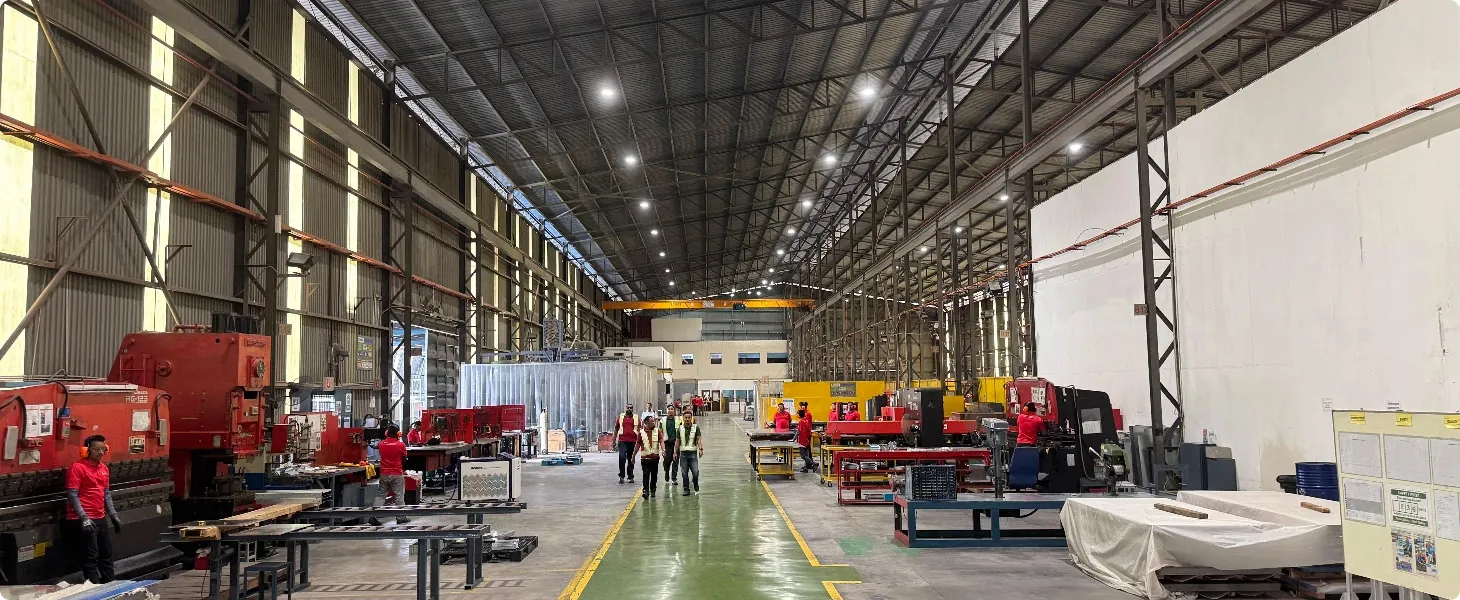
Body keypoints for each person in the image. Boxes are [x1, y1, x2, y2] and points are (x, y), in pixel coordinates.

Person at [65, 435, 121, 583]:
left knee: (106, 554)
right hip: (84, 519)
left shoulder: (104, 469)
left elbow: (106, 494)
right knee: (91, 556)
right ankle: (94, 588)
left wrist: (113, 515)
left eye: (103, 449)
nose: (101, 452)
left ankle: (110, 585)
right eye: (96, 449)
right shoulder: (77, 468)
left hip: (100, 517)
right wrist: (84, 518)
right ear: (86, 450)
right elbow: (72, 494)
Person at [374, 424, 410, 524]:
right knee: (399, 496)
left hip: (384, 473)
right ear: (398, 433)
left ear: (387, 433)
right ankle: (400, 517)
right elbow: (404, 458)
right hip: (396, 473)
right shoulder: (400, 444)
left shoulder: (381, 444)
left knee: (380, 496)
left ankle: (374, 517)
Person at [636, 415, 666, 499]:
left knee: (654, 475)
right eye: (651, 421)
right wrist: (633, 456)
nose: (653, 423)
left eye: (653, 421)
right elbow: (638, 445)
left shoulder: (657, 431)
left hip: (654, 458)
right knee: (646, 474)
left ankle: (653, 490)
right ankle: (645, 491)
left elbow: (661, 440)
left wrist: (663, 450)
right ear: (646, 422)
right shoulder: (641, 433)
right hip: (645, 459)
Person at [614, 404, 640, 484]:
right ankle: (621, 476)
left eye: (630, 408)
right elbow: (616, 429)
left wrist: (640, 442)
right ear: (626, 408)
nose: (629, 409)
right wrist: (613, 441)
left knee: (630, 459)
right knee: (622, 457)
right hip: (622, 441)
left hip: (632, 441)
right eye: (628, 407)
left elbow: (640, 430)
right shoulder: (621, 417)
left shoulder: (636, 418)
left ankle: (630, 476)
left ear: (632, 409)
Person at [679, 411, 703, 496]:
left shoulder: (696, 428)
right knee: (684, 473)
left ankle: (695, 483)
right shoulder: (680, 429)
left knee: (695, 472)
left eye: (689, 417)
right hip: (683, 454)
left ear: (691, 418)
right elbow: (677, 441)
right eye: (686, 417)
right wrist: (675, 452)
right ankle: (686, 489)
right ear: (683, 418)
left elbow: (698, 439)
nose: (687, 419)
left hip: (693, 454)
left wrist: (700, 449)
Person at [662, 405, 681, 486]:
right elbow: (660, 432)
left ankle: (674, 478)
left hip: (676, 443)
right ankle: (666, 472)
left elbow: (681, 430)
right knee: (667, 461)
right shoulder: (663, 420)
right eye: (669, 409)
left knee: (675, 461)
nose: (670, 410)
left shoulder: (678, 420)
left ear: (674, 410)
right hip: (667, 443)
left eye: (672, 409)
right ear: (667, 410)